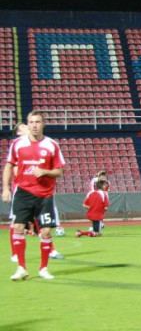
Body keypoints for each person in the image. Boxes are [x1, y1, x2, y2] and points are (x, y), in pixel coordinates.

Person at [2, 111, 66, 280]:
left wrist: (45, 171)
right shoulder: (18, 144)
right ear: (27, 124)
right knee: (17, 227)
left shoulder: (52, 145)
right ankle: (21, 267)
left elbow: (59, 171)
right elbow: (9, 166)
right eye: (31, 122)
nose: (34, 125)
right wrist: (6, 189)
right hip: (23, 192)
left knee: (45, 232)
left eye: (38, 122)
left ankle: (43, 268)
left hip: (44, 195)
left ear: (43, 124)